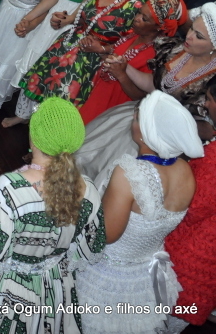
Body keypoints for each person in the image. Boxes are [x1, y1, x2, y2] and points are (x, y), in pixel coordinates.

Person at [0, 98, 106, 334]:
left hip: (7, 287)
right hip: (54, 288)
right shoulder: (89, 190)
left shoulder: (8, 188)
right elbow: (89, 247)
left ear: (33, 138)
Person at [76, 91, 199, 333]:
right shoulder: (186, 171)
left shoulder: (129, 173)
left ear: (144, 133)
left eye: (136, 118)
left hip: (110, 274)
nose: (132, 120)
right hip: (148, 273)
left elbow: (107, 235)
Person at [77, 2, 216, 190]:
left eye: (199, 36)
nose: (189, 36)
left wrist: (168, 117)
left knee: (116, 179)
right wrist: (125, 67)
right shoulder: (178, 50)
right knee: (90, 155)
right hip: (135, 116)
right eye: (191, 29)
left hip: (164, 142)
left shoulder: (212, 81)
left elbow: (207, 129)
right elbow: (154, 86)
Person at [8, 0, 149, 125]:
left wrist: (101, 48)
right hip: (71, 43)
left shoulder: (136, 6)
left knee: (61, 105)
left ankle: (49, 138)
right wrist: (65, 20)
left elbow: (129, 46)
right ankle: (33, 127)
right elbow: (84, 10)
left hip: (93, 63)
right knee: (45, 89)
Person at [6, 0, 113, 121]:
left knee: (56, 71)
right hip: (57, 12)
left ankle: (43, 120)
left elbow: (95, 1)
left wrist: (70, 19)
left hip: (82, 19)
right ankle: (24, 114)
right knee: (37, 59)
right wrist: (28, 19)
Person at [78, 0, 186, 124]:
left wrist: (121, 75)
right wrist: (99, 50)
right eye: (139, 12)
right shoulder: (135, 34)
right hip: (99, 93)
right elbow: (116, 58)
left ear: (159, 27)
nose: (136, 19)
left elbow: (141, 96)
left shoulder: (156, 55)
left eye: (144, 19)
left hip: (113, 105)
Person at [165, 79, 216, 332]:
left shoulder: (213, 161)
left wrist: (178, 167)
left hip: (191, 262)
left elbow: (190, 207)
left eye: (210, 99)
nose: (205, 105)